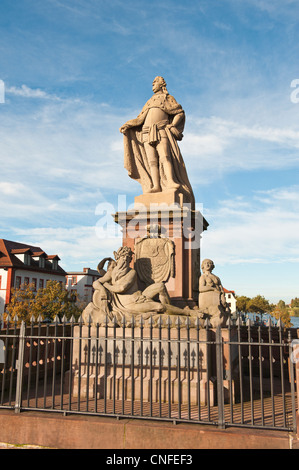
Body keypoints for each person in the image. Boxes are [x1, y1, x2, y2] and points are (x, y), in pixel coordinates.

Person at [120, 76, 194, 208]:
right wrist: (129, 124)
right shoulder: (149, 101)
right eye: (153, 82)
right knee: (152, 161)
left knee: (165, 157)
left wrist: (173, 126)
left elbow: (179, 113)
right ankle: (156, 185)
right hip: (146, 132)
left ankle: (170, 181)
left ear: (162, 84)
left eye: (155, 82)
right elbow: (140, 119)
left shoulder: (168, 98)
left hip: (161, 130)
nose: (153, 84)